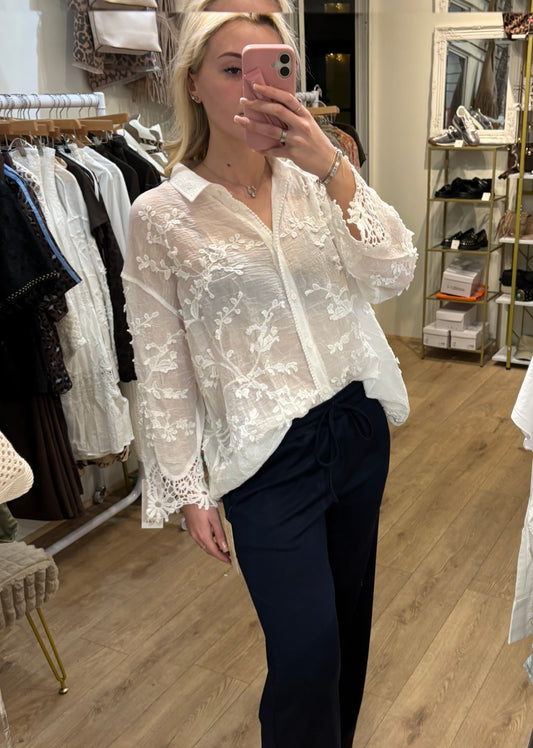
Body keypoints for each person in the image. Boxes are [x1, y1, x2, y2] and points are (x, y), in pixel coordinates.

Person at [122, 10, 417, 748]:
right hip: (263, 456)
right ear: (194, 83)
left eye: (270, 67)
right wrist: (187, 486)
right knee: (305, 652)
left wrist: (332, 166)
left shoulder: (318, 180)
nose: (254, 88)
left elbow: (393, 271)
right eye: (232, 70)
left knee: (346, 625)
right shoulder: (160, 215)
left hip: (354, 426)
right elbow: (161, 361)